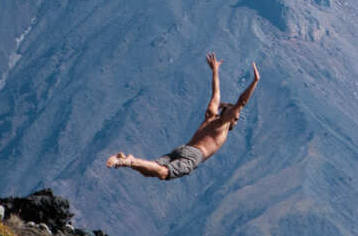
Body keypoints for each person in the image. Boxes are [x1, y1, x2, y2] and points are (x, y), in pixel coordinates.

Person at [106, 54, 259, 180]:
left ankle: (129, 159)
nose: (237, 117)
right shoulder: (222, 125)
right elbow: (242, 101)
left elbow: (216, 93)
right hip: (194, 156)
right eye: (235, 114)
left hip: (184, 148)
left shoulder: (211, 116)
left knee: (150, 170)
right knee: (163, 172)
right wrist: (254, 82)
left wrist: (215, 71)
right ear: (228, 114)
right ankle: (129, 161)